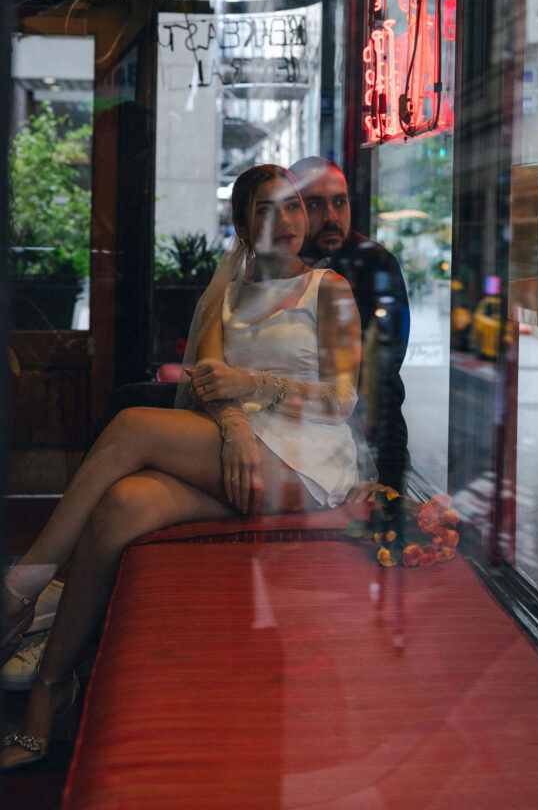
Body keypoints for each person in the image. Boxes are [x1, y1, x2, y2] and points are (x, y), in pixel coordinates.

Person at [1, 164, 363, 771]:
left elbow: (343, 401)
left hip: (307, 463)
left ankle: (20, 588)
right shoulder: (226, 295)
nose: (288, 222)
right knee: (122, 506)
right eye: (267, 211)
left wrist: (252, 387)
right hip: (237, 453)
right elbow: (207, 389)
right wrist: (236, 429)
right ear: (244, 228)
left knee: (134, 425)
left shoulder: (331, 290)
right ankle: (50, 697)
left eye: (294, 207)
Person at [289, 157, 411, 494]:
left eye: (339, 202)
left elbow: (383, 368)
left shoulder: (374, 262)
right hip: (289, 435)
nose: (331, 216)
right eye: (315, 204)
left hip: (370, 434)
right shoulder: (277, 267)